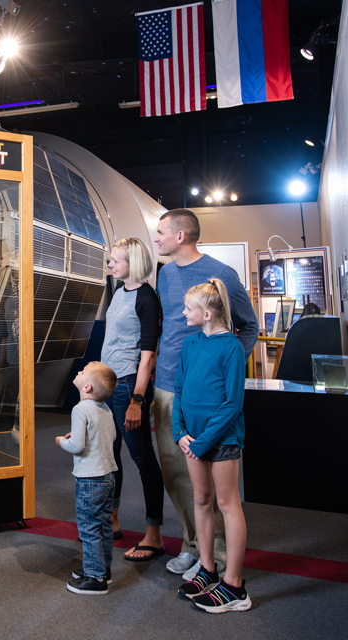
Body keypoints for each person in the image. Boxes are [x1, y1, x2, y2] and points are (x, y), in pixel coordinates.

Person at [151, 209, 258, 581]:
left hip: (209, 397)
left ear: (181, 236)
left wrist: (224, 364)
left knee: (218, 484)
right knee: (177, 474)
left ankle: (224, 559)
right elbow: (169, 326)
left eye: (161, 231)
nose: (156, 237)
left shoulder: (222, 275)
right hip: (168, 386)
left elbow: (250, 326)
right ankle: (194, 545)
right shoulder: (164, 274)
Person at [173, 279, 251, 613]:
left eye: (188, 308)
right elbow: (178, 390)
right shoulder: (190, 346)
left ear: (206, 313)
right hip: (192, 439)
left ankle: (234, 585)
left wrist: (204, 441)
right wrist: (179, 432)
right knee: (201, 500)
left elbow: (233, 403)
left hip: (220, 441)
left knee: (227, 503)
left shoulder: (231, 348)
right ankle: (207, 568)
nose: (182, 313)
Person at [100, 238, 168, 563]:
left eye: (115, 261)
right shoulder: (118, 292)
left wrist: (137, 400)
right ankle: (112, 520)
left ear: (133, 263)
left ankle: (154, 534)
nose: (110, 265)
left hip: (129, 386)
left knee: (142, 458)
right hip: (108, 385)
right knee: (110, 456)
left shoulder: (147, 298)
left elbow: (148, 354)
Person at [56, 361, 119, 595]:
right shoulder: (105, 408)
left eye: (83, 372)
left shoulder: (80, 409)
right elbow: (108, 436)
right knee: (103, 525)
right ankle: (102, 568)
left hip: (89, 480)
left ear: (88, 387)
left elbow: (77, 446)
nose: (79, 372)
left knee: (88, 527)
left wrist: (62, 441)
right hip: (107, 477)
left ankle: (95, 578)